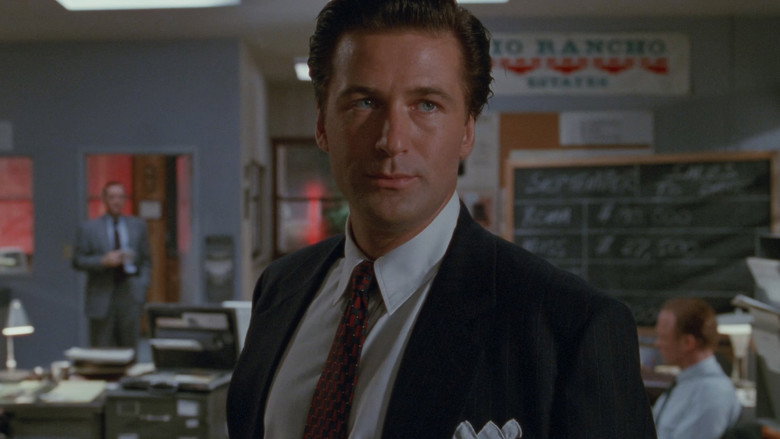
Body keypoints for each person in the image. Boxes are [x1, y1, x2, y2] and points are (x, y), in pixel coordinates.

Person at [227, 0, 656, 437]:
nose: (392, 140)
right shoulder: (280, 287)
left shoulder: (570, 326)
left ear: (467, 131)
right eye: (365, 102)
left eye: (426, 105)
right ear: (322, 124)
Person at [73, 181, 151, 348]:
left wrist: (142, 286)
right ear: (104, 200)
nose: (117, 201)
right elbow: (78, 260)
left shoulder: (138, 226)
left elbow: (146, 260)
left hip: (130, 292)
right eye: (112, 197)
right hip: (102, 293)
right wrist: (102, 261)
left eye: (121, 197)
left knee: (130, 348)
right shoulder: (89, 228)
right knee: (102, 348)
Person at [652, 298, 742, 439]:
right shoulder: (686, 382)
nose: (657, 344)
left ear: (687, 343)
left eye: (663, 337)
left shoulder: (711, 393)